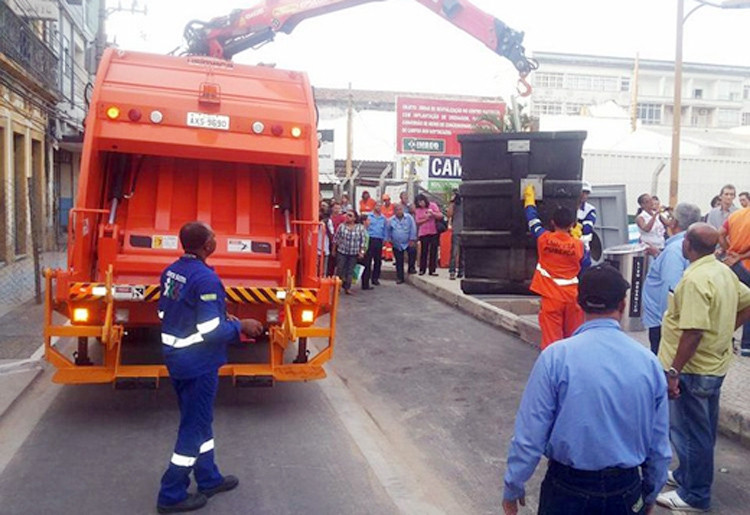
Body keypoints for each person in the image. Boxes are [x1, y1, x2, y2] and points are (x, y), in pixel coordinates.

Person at [502, 264, 671, 515]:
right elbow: (658, 443)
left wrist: (513, 485)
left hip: (567, 490)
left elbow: (530, 434)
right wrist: (650, 494)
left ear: (578, 304)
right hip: (625, 490)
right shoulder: (648, 362)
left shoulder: (556, 357)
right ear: (623, 305)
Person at [156, 222, 263, 514]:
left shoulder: (173, 271)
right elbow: (210, 331)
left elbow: (166, 311)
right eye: (213, 236)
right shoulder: (206, 279)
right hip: (198, 363)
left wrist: (218, 314)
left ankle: (208, 478)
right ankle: (171, 493)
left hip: (178, 358)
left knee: (201, 421)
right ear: (206, 246)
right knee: (193, 427)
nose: (217, 239)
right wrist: (241, 325)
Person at [656, 223, 750, 512]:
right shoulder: (723, 271)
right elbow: (747, 300)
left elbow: (693, 331)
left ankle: (694, 495)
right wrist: (725, 329)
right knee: (703, 430)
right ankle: (688, 475)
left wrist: (674, 372)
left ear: (687, 244)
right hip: (714, 365)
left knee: (689, 432)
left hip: (693, 369)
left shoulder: (696, 280)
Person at [524, 184, 584, 349]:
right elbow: (585, 266)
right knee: (573, 339)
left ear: (552, 222)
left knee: (551, 341)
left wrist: (530, 200)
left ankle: (553, 370)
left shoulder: (544, 239)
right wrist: (577, 237)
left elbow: (532, 220)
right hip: (573, 296)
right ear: (572, 224)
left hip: (551, 297)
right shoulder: (579, 245)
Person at [642, 203, 702, 355]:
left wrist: (668, 326)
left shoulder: (674, 250)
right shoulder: (686, 246)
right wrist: (658, 254)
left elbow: (670, 291)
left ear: (674, 223)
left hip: (664, 323)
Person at [719, 205, 750, 356]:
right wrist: (741, 256)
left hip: (733, 264)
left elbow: (720, 234)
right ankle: (747, 344)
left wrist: (729, 250)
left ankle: (724, 339)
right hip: (747, 265)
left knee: (730, 303)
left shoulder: (735, 215)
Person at [333, 209, 366, 295]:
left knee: (350, 271)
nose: (347, 217)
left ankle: (347, 288)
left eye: (350, 215)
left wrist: (361, 252)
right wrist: (334, 250)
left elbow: (362, 241)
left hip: (353, 253)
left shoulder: (360, 228)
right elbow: (336, 239)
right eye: (347, 215)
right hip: (342, 252)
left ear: (355, 218)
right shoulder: (341, 226)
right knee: (340, 270)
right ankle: (337, 287)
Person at [387, 203, 417, 284]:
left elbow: (413, 228)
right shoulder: (391, 220)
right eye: (396, 210)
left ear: (403, 210)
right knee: (399, 261)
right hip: (397, 244)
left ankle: (411, 268)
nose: (399, 211)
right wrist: (389, 239)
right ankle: (400, 278)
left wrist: (412, 239)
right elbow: (388, 231)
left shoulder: (409, 218)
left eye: (400, 209)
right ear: (394, 211)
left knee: (412, 252)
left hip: (408, 242)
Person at [414, 194, 441, 276]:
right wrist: (426, 218)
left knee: (433, 251)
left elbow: (440, 215)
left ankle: (432, 269)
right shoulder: (418, 210)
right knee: (424, 251)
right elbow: (417, 221)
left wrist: (432, 214)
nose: (421, 204)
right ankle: (422, 269)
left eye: (422, 202)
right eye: (419, 203)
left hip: (434, 231)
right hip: (424, 232)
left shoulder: (432, 205)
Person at [362, 202, 386, 289]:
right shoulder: (369, 216)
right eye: (377, 206)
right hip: (370, 239)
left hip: (379, 240)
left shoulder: (383, 218)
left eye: (380, 206)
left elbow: (385, 229)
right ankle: (365, 281)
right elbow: (364, 228)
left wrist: (384, 239)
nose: (378, 207)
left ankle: (375, 278)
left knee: (378, 261)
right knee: (367, 261)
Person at [576, 181, 597, 271]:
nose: (584, 195)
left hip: (582, 246)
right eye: (583, 192)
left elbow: (587, 229)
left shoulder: (590, 209)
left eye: (587, 193)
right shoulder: (567, 206)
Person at [447, 189, 464, 281]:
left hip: (465, 230)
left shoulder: (466, 202)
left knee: (463, 253)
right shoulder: (454, 204)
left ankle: (461, 271)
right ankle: (452, 271)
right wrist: (452, 202)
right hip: (456, 230)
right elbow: (449, 214)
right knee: (454, 252)